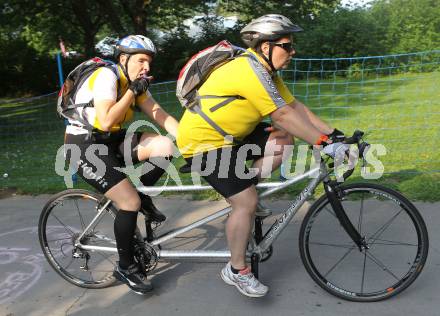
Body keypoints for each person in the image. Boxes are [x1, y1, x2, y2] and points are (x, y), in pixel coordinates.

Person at [176, 14, 347, 298]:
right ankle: (237, 269)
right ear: (265, 46)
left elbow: (294, 107)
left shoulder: (265, 71)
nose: (293, 52)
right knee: (246, 202)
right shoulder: (247, 70)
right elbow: (280, 114)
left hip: (231, 139)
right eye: (286, 46)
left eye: (292, 46)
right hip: (203, 143)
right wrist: (322, 143)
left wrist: (334, 135)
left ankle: (243, 187)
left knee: (282, 139)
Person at [64, 35, 179, 294]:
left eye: (149, 62)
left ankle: (141, 196)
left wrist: (194, 141)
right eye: (141, 60)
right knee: (128, 203)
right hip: (83, 146)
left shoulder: (134, 85)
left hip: (110, 141)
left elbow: (161, 115)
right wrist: (131, 92)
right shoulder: (108, 77)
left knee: (164, 146)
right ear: (124, 59)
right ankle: (126, 267)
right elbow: (105, 121)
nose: (146, 67)